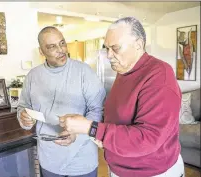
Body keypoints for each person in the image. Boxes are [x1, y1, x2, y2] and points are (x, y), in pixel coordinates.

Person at [59, 17, 184, 177]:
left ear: (138, 44)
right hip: (120, 168)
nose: (109, 55)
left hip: (152, 172)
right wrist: (89, 127)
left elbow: (147, 138)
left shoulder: (159, 76)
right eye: (106, 48)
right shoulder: (124, 71)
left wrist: (91, 128)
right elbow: (120, 116)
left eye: (115, 48)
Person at [17, 26, 106, 177]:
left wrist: (77, 134)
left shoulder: (84, 72)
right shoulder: (33, 76)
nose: (61, 50)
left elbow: (98, 110)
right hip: (49, 159)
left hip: (82, 158)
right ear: (41, 51)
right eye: (52, 47)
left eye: (62, 43)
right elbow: (23, 106)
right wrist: (24, 118)